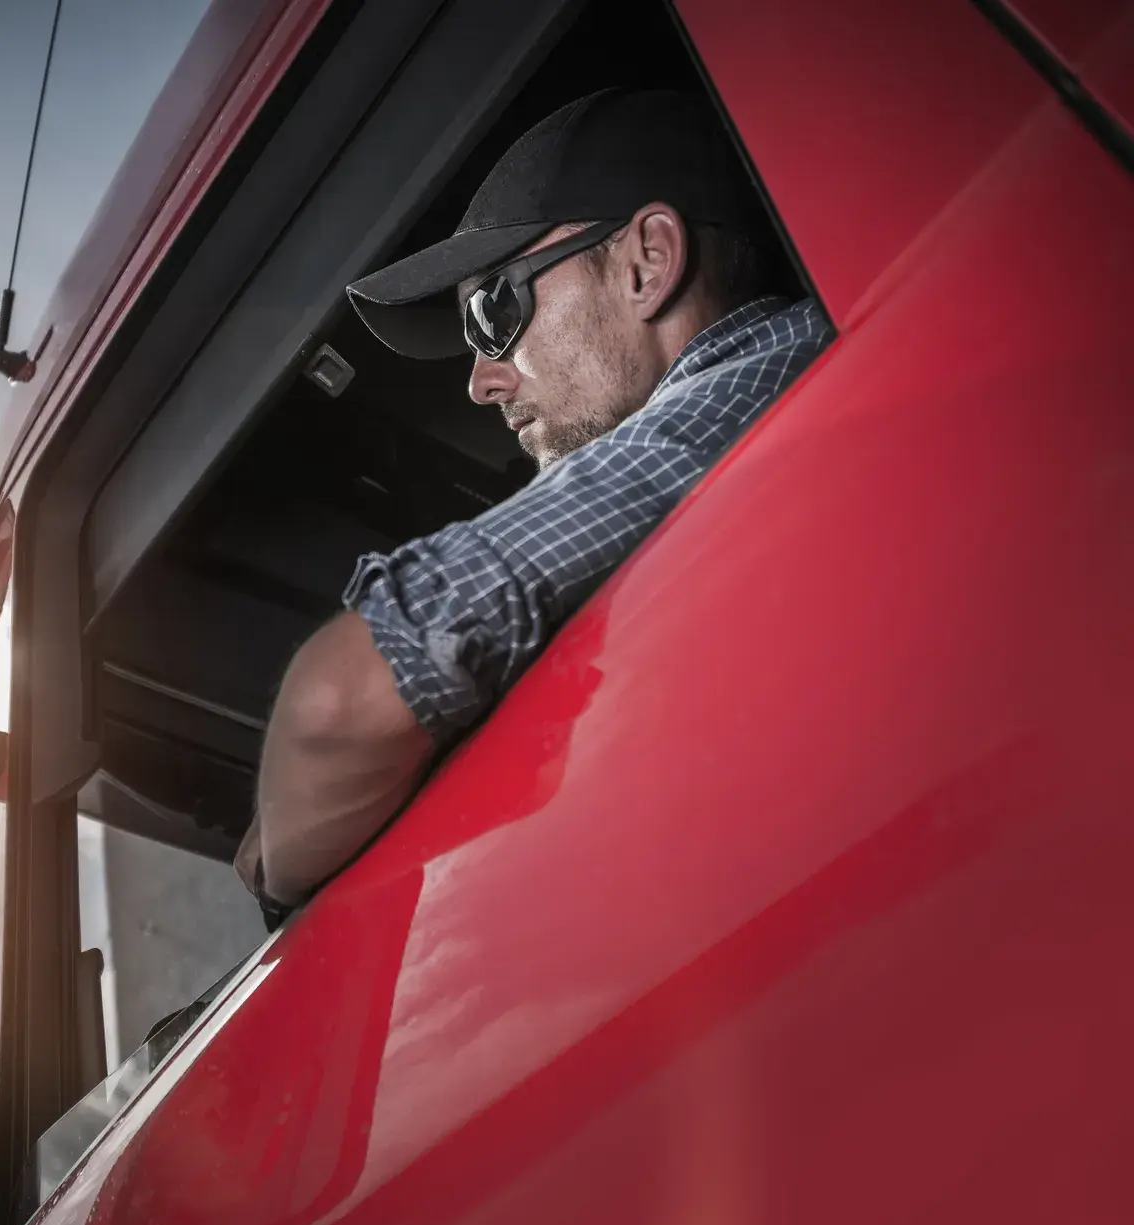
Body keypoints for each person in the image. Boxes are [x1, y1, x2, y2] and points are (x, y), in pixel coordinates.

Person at [235, 88, 832, 917]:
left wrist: (274, 866)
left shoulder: (744, 386)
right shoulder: (762, 408)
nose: (482, 382)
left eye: (494, 310)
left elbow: (345, 699)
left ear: (646, 260)